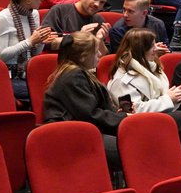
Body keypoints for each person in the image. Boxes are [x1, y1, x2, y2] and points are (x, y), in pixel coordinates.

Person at [42, 30, 124, 163]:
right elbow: (90, 114)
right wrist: (123, 118)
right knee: (132, 148)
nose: (99, 55)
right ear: (82, 57)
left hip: (84, 129)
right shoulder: (73, 76)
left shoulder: (80, 72)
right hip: (70, 134)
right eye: (96, 51)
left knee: (137, 139)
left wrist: (118, 114)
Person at [0, 0, 58, 100]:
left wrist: (40, 42)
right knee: (47, 94)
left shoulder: (34, 15)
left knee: (61, 88)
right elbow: (0, 56)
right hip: (8, 77)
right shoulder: (3, 17)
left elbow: (34, 53)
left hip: (28, 73)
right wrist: (30, 41)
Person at [108, 28, 181, 114]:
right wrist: (169, 99)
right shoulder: (121, 80)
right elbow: (134, 111)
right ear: (141, 49)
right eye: (152, 45)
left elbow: (162, 99)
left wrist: (176, 97)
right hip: (142, 124)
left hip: (160, 116)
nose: (156, 49)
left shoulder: (151, 68)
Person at [41, 0, 112, 53]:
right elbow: (45, 44)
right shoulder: (59, 11)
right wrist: (77, 38)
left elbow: (104, 55)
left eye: (102, 2)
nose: (97, 4)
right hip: (62, 62)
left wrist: (99, 41)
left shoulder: (99, 20)